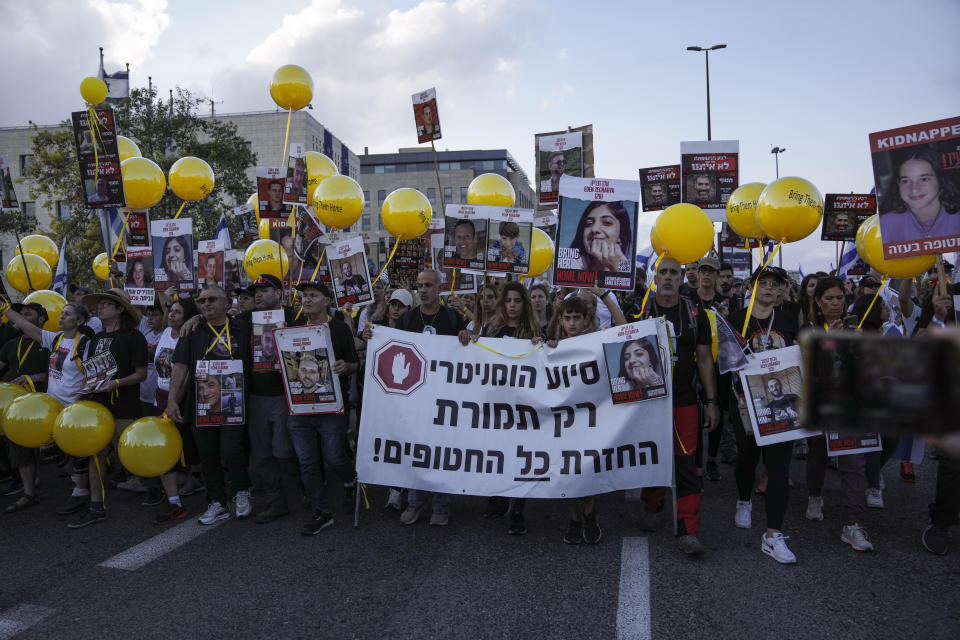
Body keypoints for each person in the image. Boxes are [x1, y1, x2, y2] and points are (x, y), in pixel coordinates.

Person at [637, 257, 719, 557]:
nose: (668, 277)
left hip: (684, 398)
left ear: (683, 276)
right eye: (663, 272)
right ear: (655, 276)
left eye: (674, 272)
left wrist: (711, 401)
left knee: (686, 462)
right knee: (651, 455)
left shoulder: (693, 312)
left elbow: (706, 358)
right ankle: (652, 502)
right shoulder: (641, 309)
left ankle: (689, 528)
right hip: (648, 400)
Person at [726, 267, 801, 564]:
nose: (769, 288)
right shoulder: (736, 319)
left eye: (775, 284)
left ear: (782, 290)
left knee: (779, 466)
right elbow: (726, 363)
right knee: (748, 457)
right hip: (746, 400)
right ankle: (744, 499)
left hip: (781, 400)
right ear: (752, 286)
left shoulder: (787, 320)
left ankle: (773, 535)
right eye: (763, 283)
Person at [460, 281, 545, 535]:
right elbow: (477, 352)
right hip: (496, 404)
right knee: (497, 453)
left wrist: (544, 345)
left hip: (522, 406)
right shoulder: (491, 328)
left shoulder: (533, 329)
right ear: (502, 303)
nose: (512, 306)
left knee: (519, 456)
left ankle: (518, 509)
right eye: (508, 301)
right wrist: (468, 338)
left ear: (524, 304)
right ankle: (498, 496)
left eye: (517, 301)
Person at [168, 284, 253, 526]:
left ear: (227, 303)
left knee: (231, 450)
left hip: (233, 400)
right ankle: (216, 501)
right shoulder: (193, 331)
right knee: (207, 455)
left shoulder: (242, 327)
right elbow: (180, 366)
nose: (206, 304)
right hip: (202, 401)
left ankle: (241, 490)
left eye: (212, 299)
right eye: (201, 301)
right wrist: (173, 399)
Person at [545, 292, 626, 544]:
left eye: (576, 318)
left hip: (591, 416)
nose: (571, 323)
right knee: (566, 469)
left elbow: (624, 329)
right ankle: (574, 518)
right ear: (560, 321)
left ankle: (590, 513)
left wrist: (605, 296)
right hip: (563, 418)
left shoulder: (597, 339)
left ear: (586, 318)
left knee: (588, 467)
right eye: (566, 318)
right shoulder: (554, 344)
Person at [801, 276, 875, 552]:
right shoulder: (809, 329)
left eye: (839, 298)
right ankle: (815, 494)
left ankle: (853, 524)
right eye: (829, 299)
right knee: (818, 451)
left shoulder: (855, 328)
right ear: (818, 302)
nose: (835, 303)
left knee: (854, 461)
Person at [395, 270, 466, 525]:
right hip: (415, 398)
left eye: (428, 285)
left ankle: (441, 505)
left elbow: (467, 352)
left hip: (444, 398)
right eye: (419, 286)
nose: (423, 290)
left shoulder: (452, 318)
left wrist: (466, 337)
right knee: (416, 450)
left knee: (441, 452)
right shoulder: (407, 319)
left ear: (439, 288)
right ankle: (414, 502)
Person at [289, 280, 359, 535]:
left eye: (313, 295)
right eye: (304, 296)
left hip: (332, 406)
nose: (306, 300)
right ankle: (321, 511)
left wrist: (345, 367)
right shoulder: (293, 330)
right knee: (307, 461)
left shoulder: (338, 329)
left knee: (334, 456)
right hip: (301, 407)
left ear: (327, 301)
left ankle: (350, 480)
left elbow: (354, 364)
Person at [74, 288, 148, 528]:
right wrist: (88, 386)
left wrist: (115, 383)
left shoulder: (134, 337)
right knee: (97, 453)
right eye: (99, 305)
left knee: (130, 455)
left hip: (124, 404)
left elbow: (141, 374)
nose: (100, 308)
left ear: (119, 310)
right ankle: (96, 504)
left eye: (106, 304)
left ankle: (154, 486)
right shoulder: (95, 339)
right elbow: (93, 371)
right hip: (99, 404)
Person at [152, 297, 205, 524]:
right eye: (170, 311)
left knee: (187, 440)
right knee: (167, 443)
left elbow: (184, 372)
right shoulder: (165, 333)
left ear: (187, 317)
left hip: (178, 398)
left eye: (177, 312)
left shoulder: (187, 335)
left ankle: (196, 476)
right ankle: (175, 493)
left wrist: (175, 401)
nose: (171, 315)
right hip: (160, 395)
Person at [0, 302, 50, 513]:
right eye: (20, 315)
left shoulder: (50, 341)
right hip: (14, 404)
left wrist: (34, 377)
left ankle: (79, 489)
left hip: (42, 402)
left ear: (41, 319)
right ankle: (29, 492)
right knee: (18, 445)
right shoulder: (11, 344)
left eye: (28, 314)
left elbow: (64, 371)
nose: (21, 318)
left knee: (61, 449)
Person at [878, 147, 960, 244]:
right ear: (898, 184)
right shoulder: (885, 224)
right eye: (905, 181)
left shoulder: (957, 219)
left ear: (941, 180)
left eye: (924, 179)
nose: (914, 189)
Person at [567, 201, 632, 273]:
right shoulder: (568, 264)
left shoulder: (628, 267)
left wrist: (617, 268)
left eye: (607, 222)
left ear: (621, 234)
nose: (594, 229)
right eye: (589, 223)